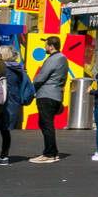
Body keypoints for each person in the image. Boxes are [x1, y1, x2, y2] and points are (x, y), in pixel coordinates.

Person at [29, 36, 69, 164]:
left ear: (51, 46)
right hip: (55, 94)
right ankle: (52, 151)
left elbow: (41, 77)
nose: (44, 47)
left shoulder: (54, 59)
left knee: (46, 124)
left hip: (47, 95)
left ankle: (49, 154)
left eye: (46, 45)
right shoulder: (62, 59)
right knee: (45, 123)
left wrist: (31, 87)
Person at [0, 44, 31, 166]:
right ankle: (4, 156)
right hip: (13, 102)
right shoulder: (17, 68)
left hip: (3, 102)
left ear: (3, 56)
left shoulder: (4, 69)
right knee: (5, 131)